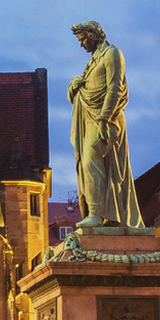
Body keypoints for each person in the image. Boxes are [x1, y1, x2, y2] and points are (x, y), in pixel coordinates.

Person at [68, 21, 143, 231]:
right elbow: (84, 90)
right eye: (80, 40)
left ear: (94, 35)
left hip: (105, 119)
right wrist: (74, 87)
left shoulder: (112, 54)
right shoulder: (92, 62)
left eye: (84, 39)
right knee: (87, 164)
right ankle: (102, 214)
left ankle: (96, 214)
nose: (82, 44)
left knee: (92, 161)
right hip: (90, 117)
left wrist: (104, 119)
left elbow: (115, 88)